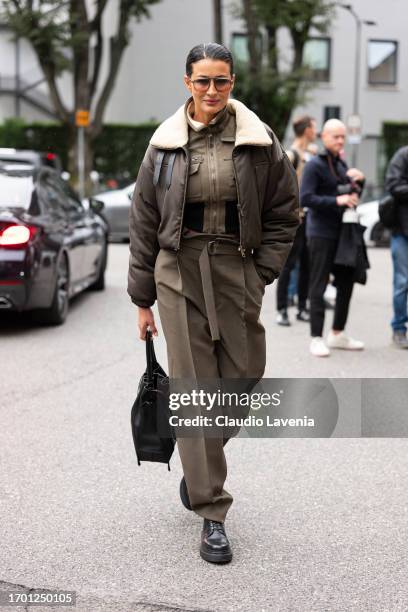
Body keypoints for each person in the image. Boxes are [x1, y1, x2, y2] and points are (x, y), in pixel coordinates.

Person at [127, 43, 299, 563]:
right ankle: (211, 510)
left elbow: (284, 211)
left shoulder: (258, 141)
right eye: (202, 81)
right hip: (177, 270)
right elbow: (142, 223)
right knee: (195, 386)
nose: (211, 91)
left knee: (245, 374)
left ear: (232, 82)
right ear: (187, 82)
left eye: (221, 81)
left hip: (236, 266)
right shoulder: (163, 146)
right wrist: (142, 299)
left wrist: (262, 271)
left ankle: (197, 453)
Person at [301, 119, 365, 357]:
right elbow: (305, 198)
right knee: (318, 284)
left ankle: (337, 333)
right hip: (320, 233)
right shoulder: (314, 165)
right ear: (323, 136)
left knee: (347, 282)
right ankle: (316, 337)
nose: (340, 141)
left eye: (342, 137)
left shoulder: (341, 165)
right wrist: (336, 201)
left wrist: (360, 182)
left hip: (343, 234)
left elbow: (351, 196)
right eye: (335, 136)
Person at [276, 115, 317, 326]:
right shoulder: (291, 154)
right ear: (306, 130)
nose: (316, 131)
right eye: (314, 127)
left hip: (310, 217)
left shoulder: (310, 153)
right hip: (296, 218)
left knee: (307, 265)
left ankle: (302, 307)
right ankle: (281, 310)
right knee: (289, 265)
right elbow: (282, 188)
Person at [385, 145, 408, 349]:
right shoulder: (403, 155)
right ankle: (399, 328)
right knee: (402, 282)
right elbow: (392, 184)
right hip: (403, 231)